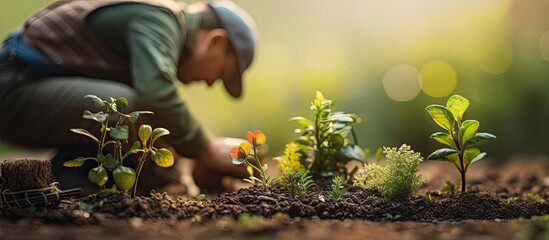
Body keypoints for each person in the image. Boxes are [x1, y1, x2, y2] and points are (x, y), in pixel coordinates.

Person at [0, 0, 258, 195]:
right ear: (215, 41)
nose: (212, 83)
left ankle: (69, 182)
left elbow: (158, 111)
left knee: (129, 110)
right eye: (221, 73)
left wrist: (192, 167)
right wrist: (207, 149)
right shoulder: (160, 19)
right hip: (13, 84)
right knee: (121, 108)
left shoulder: (161, 27)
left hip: (31, 87)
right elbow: (156, 96)